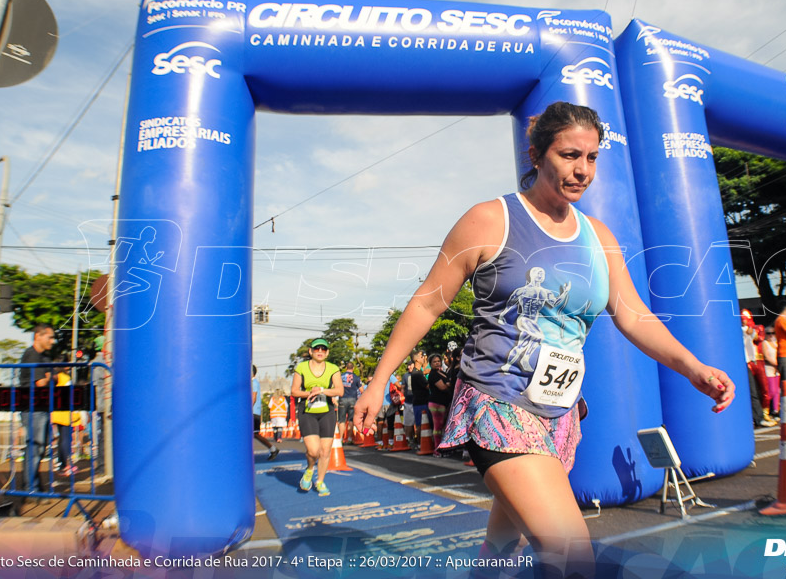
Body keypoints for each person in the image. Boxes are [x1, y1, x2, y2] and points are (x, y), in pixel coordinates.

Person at [352, 101, 734, 578]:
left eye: (592, 158)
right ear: (536, 155)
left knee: (501, 544)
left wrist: (694, 367)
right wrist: (377, 381)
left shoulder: (599, 237)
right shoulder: (491, 219)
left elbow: (633, 316)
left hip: (560, 412)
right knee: (573, 557)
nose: (583, 170)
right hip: (497, 402)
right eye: (569, 155)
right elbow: (428, 303)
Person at [291, 338, 343, 496]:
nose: (320, 352)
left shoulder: (333, 368)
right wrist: (309, 393)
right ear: (310, 352)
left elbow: (339, 391)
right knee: (313, 451)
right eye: (316, 349)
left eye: (323, 349)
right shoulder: (302, 367)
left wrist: (321, 390)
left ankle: (320, 481)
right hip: (307, 412)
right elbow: (294, 391)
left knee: (325, 451)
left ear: (327, 353)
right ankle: (309, 469)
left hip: (326, 411)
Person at [20, 324, 56, 492]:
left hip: (41, 406)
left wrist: (50, 376)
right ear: (38, 336)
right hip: (33, 407)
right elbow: (41, 382)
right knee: (35, 446)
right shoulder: (32, 355)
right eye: (49, 337)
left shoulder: (44, 357)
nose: (52, 341)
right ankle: (30, 487)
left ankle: (33, 484)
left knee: (39, 447)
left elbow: (53, 378)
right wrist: (50, 376)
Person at [742, 311, 773, 427]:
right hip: (747, 362)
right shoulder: (737, 329)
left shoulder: (757, 327)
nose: (744, 320)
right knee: (752, 391)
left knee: (764, 389)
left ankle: (764, 413)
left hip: (757, 360)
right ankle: (757, 416)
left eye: (745, 318)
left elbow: (758, 337)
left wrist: (750, 331)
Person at [50, 367, 82, 477]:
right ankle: (65, 465)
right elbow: (70, 394)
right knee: (66, 439)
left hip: (56, 411)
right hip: (65, 412)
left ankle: (61, 464)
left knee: (61, 439)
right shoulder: (66, 378)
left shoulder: (54, 378)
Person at [252, 365, 278, 460]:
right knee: (252, 434)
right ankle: (272, 449)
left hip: (254, 412)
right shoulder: (253, 382)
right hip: (254, 412)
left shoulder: (254, 383)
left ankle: (273, 449)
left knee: (255, 434)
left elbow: (253, 397)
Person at [427, 353, 453, 447]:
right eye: (434, 362)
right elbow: (442, 387)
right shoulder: (433, 374)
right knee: (438, 426)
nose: (437, 363)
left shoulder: (441, 372)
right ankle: (437, 448)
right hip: (437, 403)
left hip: (444, 403)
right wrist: (449, 384)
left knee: (443, 425)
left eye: (438, 361)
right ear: (430, 363)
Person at [409, 350, 430, 449]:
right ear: (417, 359)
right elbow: (427, 386)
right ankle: (420, 443)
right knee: (421, 424)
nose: (424, 358)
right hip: (420, 402)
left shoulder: (418, 372)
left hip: (420, 401)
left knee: (422, 423)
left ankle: (421, 443)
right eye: (422, 356)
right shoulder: (417, 373)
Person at [338, 361, 360, 444]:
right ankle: (350, 438)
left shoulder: (341, 376)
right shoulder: (356, 377)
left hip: (342, 398)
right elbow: (361, 390)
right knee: (351, 419)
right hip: (352, 399)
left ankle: (340, 438)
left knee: (342, 420)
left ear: (346, 368)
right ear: (353, 368)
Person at [762, 326, 780, 418]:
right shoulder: (765, 343)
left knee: (777, 391)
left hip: (776, 369)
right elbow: (766, 357)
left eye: (773, 333)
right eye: (768, 333)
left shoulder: (776, 343)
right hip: (769, 368)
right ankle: (765, 409)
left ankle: (775, 410)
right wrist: (777, 364)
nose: (771, 335)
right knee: (771, 391)